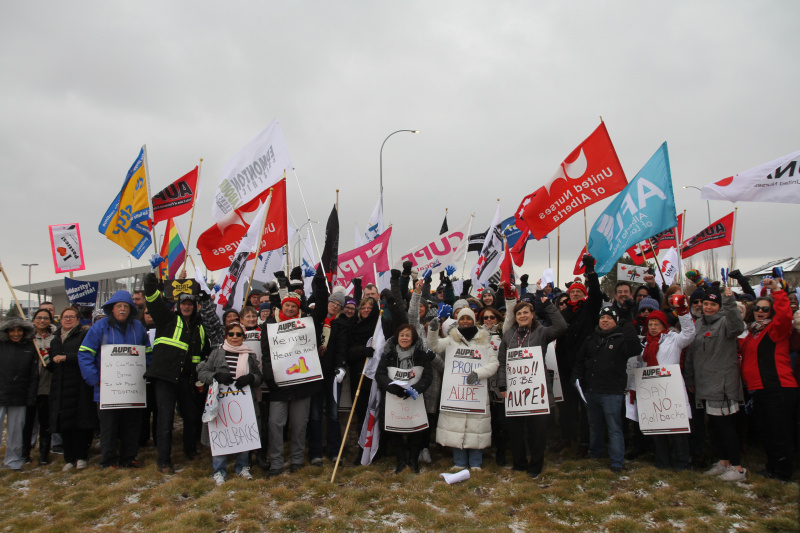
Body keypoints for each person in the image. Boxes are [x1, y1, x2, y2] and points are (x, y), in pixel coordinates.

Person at [142, 273, 211, 474]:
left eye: (190, 303)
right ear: (178, 305)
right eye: (184, 303)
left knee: (191, 417)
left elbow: (202, 354)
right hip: (165, 378)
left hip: (188, 381)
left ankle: (190, 449)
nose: (187, 306)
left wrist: (199, 378)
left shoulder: (200, 328)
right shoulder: (167, 319)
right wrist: (150, 282)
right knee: (165, 420)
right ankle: (163, 460)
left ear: (195, 305)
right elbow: (153, 301)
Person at [78, 291, 151, 468]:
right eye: (119, 306)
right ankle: (108, 460)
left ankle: (129, 457)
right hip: (106, 391)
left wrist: (145, 372)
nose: (123, 309)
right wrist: (94, 378)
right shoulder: (99, 327)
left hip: (133, 390)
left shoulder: (138, 328)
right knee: (109, 428)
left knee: (132, 425)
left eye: (126, 306)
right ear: (111, 309)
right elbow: (85, 354)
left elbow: (148, 353)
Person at [497, 298, 567, 478]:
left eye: (526, 312)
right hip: (515, 392)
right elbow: (502, 363)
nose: (522, 315)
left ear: (532, 314)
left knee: (538, 432)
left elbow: (561, 327)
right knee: (516, 431)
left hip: (537, 391)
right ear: (515, 317)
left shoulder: (541, 332)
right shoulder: (508, 335)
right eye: (519, 313)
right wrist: (502, 385)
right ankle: (519, 464)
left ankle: (535, 465)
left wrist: (548, 305)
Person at [685, 287, 747, 482]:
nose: (708, 307)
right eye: (706, 304)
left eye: (713, 304)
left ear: (719, 306)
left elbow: (738, 327)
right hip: (704, 384)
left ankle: (738, 469)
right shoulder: (699, 324)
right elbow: (692, 354)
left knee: (725, 426)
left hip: (722, 384)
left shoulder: (725, 323)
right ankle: (724, 462)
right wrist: (690, 378)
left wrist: (729, 302)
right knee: (714, 427)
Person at [739, 278, 798, 481]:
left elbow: (785, 316)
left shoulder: (776, 329)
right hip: (759, 390)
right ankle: (772, 467)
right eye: (757, 308)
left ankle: (783, 473)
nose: (760, 311)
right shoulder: (752, 333)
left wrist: (777, 292)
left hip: (778, 387)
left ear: (771, 311)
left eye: (765, 309)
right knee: (766, 433)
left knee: (780, 433)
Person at [427, 307, 499, 470]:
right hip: (456, 392)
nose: (465, 321)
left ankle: (475, 463)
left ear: (473, 320)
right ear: (457, 321)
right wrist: (432, 331)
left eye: (468, 318)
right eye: (462, 318)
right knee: (456, 426)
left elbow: (494, 364)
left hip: (476, 393)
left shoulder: (483, 340)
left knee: (476, 427)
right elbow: (435, 346)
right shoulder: (452, 339)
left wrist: (478, 373)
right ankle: (459, 462)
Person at [572, 305, 641, 472]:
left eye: (609, 318)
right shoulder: (591, 339)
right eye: (602, 317)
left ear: (615, 321)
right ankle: (596, 454)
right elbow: (580, 360)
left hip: (612, 392)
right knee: (594, 426)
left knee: (614, 427)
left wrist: (628, 328)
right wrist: (576, 378)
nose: (605, 320)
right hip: (592, 391)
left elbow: (635, 348)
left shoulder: (621, 339)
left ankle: (617, 462)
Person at [261, 292, 322, 476]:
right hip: (278, 384)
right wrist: (270, 377)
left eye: (293, 306)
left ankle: (296, 460)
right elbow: (265, 354)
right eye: (286, 305)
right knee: (275, 423)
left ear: (298, 308)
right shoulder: (270, 325)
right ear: (281, 306)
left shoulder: (307, 324)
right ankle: (276, 462)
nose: (289, 309)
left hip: (301, 385)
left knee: (299, 424)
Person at [197, 321, 262, 485]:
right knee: (221, 435)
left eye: (238, 334)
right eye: (231, 334)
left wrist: (251, 378)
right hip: (221, 404)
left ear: (243, 337)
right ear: (226, 336)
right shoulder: (216, 354)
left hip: (243, 403)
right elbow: (202, 372)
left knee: (243, 434)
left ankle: (243, 466)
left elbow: (259, 377)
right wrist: (215, 377)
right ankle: (219, 470)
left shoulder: (249, 355)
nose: (235, 337)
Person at [551, 254, 602, 456]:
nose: (574, 295)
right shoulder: (564, 314)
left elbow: (596, 294)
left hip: (584, 365)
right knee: (566, 406)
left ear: (583, 295)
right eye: (572, 293)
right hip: (564, 365)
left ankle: (585, 441)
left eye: (578, 292)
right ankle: (566, 437)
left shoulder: (589, 310)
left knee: (585, 405)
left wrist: (590, 272)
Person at [640, 297, 695, 471]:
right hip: (653, 392)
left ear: (664, 325)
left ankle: (682, 464)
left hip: (672, 391)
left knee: (678, 432)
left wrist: (683, 312)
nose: (653, 327)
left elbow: (689, 333)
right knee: (658, 430)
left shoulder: (674, 339)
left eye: (657, 324)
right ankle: (662, 462)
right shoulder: (644, 344)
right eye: (650, 324)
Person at [375, 324, 433, 473]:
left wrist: (416, 389)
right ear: (397, 337)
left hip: (415, 398)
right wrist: (392, 388)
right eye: (402, 335)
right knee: (394, 430)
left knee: (416, 430)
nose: (404, 338)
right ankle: (401, 461)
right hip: (393, 399)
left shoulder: (421, 355)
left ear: (413, 338)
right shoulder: (389, 355)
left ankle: (413, 461)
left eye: (407, 335)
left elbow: (427, 377)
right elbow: (380, 375)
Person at [47, 306, 97, 471]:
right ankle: (69, 458)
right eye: (65, 317)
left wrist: (67, 358)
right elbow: (52, 362)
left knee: (81, 422)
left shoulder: (84, 334)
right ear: (60, 320)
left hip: (79, 384)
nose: (68, 319)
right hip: (60, 386)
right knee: (65, 424)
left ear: (77, 319)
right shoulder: (55, 339)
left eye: (71, 317)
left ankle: (82, 456)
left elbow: (88, 355)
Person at [0, 318, 38, 470]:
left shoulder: (30, 347)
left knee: (16, 431)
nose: (16, 334)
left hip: (20, 395)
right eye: (12, 330)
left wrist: (30, 396)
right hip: (1, 393)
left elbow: (33, 375)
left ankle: (14, 461)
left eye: (19, 330)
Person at [22, 308, 55, 465]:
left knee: (45, 423)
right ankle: (25, 453)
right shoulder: (27, 338)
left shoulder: (54, 338)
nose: (42, 320)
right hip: (30, 387)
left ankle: (43, 454)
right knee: (27, 423)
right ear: (33, 320)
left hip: (47, 386)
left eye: (46, 318)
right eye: (39, 318)